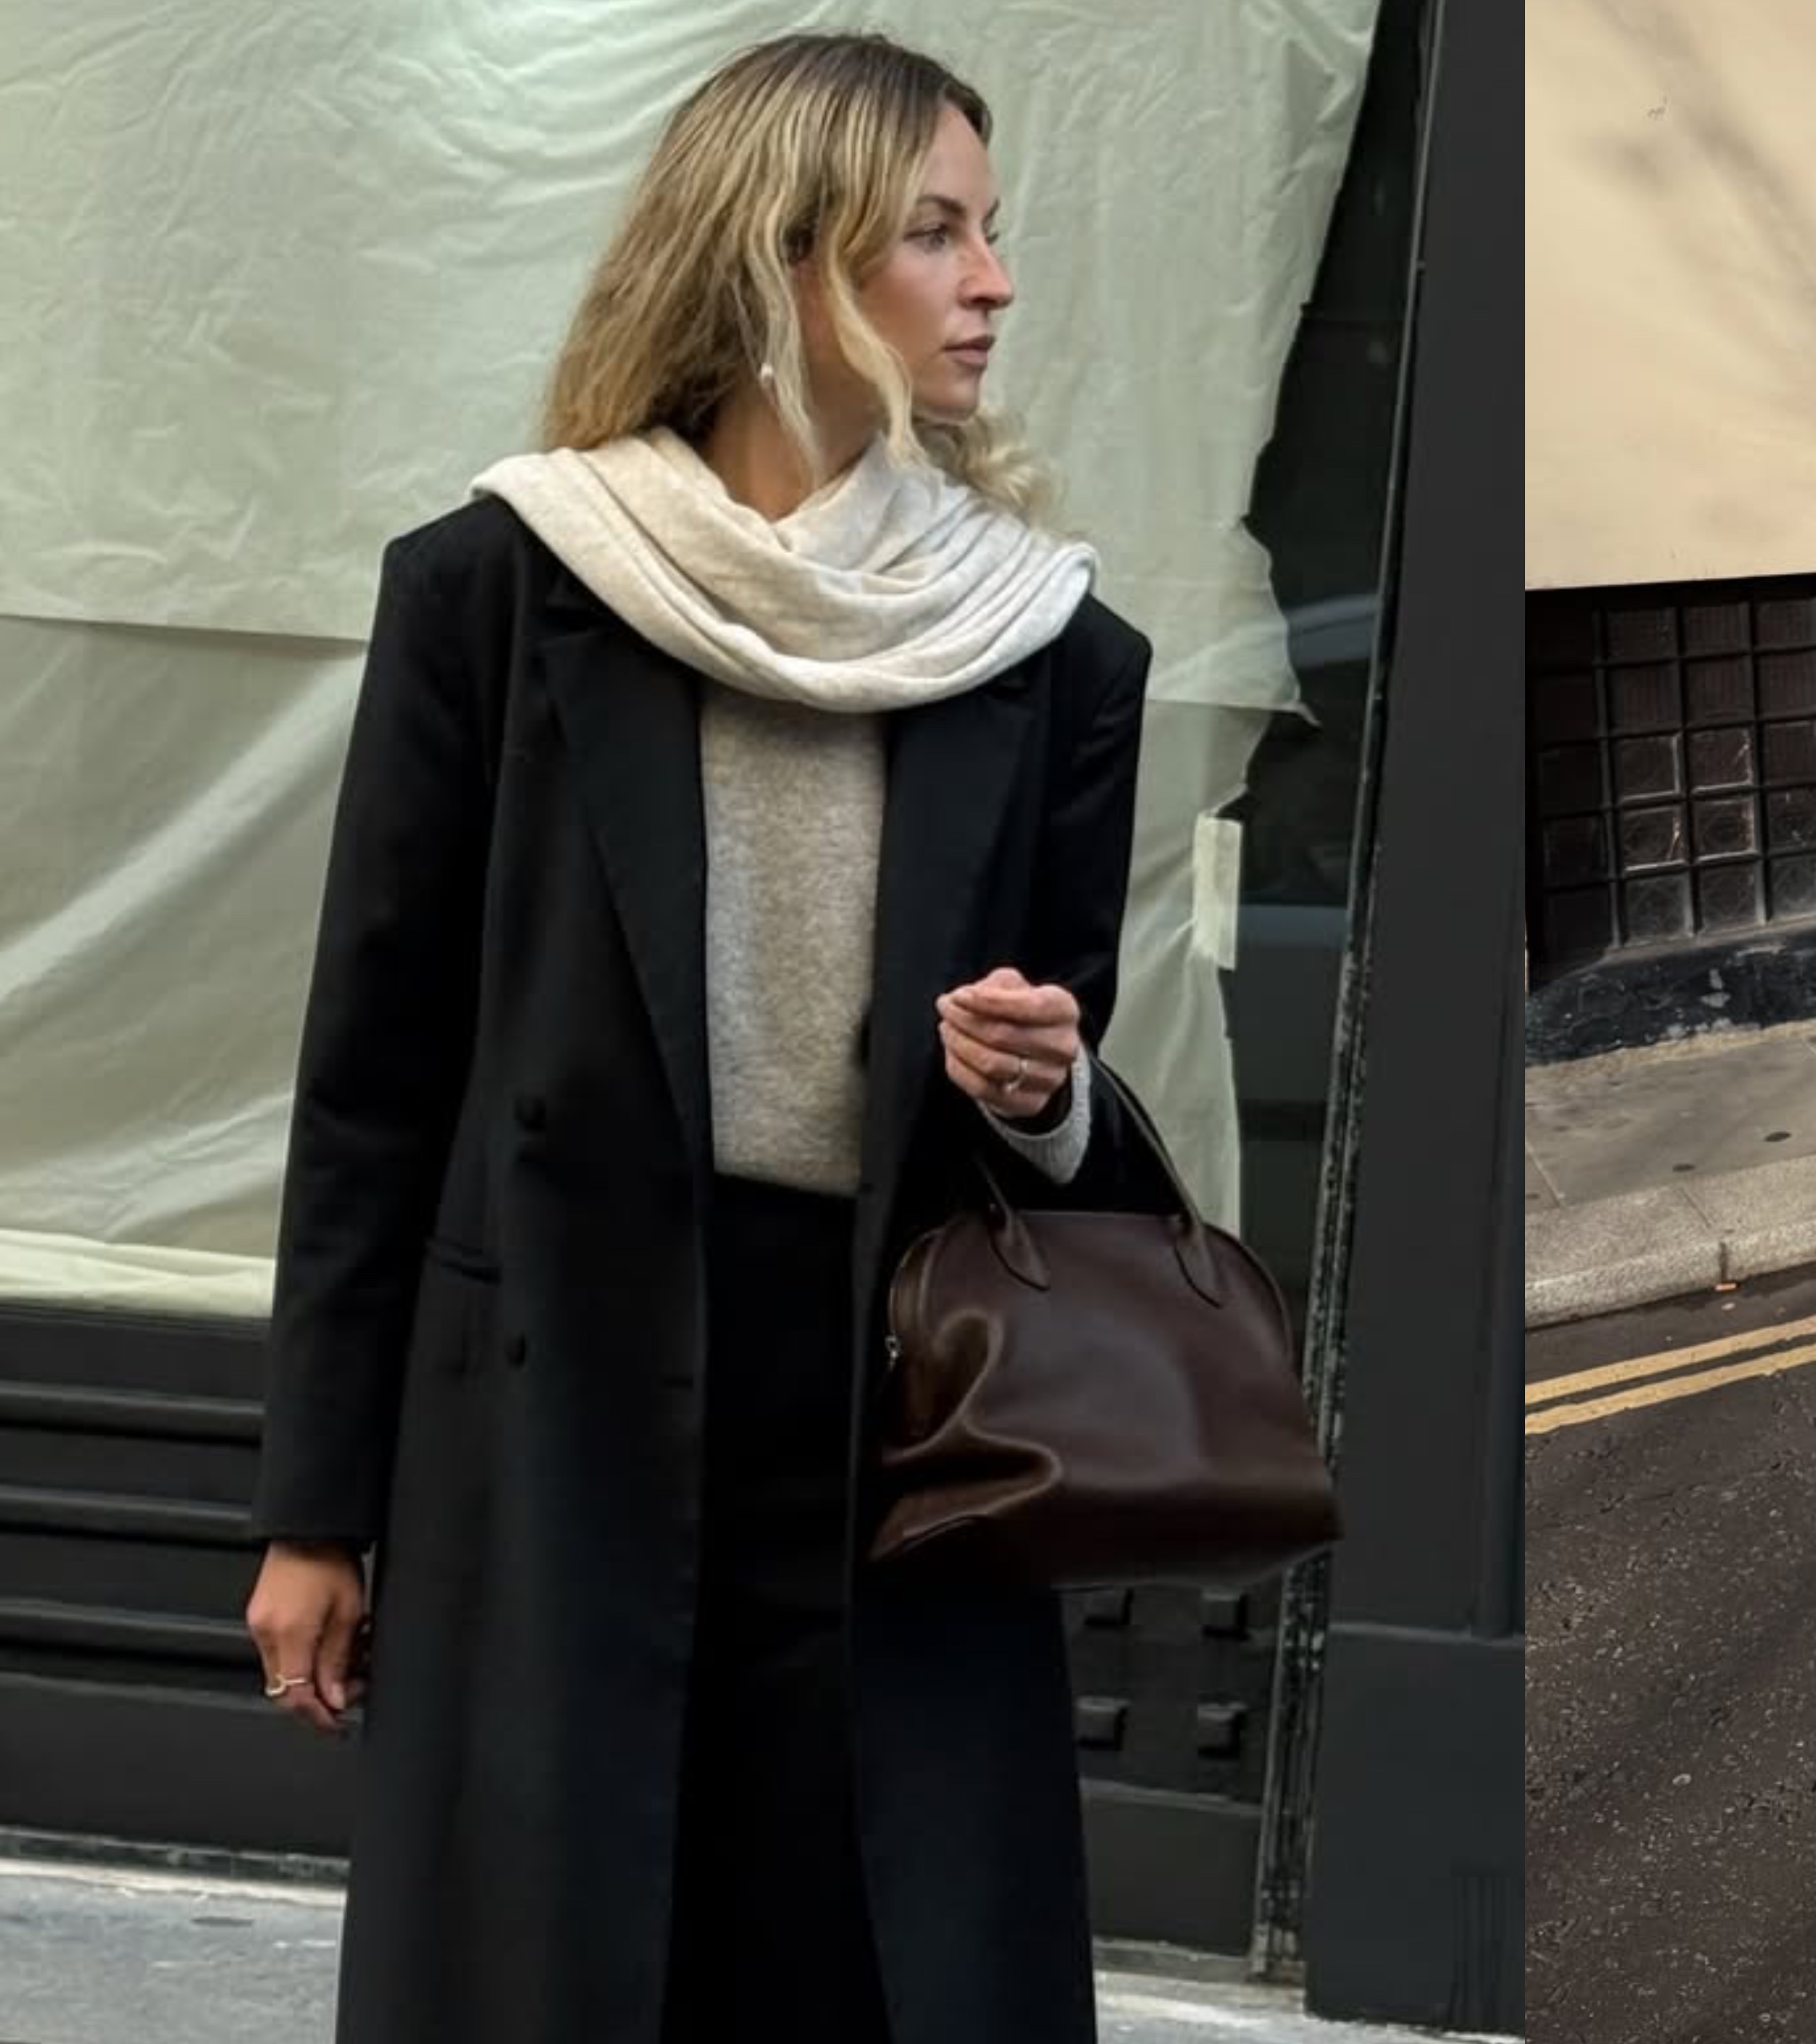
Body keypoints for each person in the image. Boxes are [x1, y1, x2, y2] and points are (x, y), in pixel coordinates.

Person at [240, 32, 1160, 2043]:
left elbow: (1061, 1093)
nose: (992, 281)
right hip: (556, 1395)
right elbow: (373, 1079)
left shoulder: (1048, 644)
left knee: (869, 1958)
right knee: (562, 1963)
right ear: (780, 261)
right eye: (933, 234)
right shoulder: (500, 587)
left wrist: (1051, 1088)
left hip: (893, 1420)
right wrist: (319, 1508)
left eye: (989, 232)